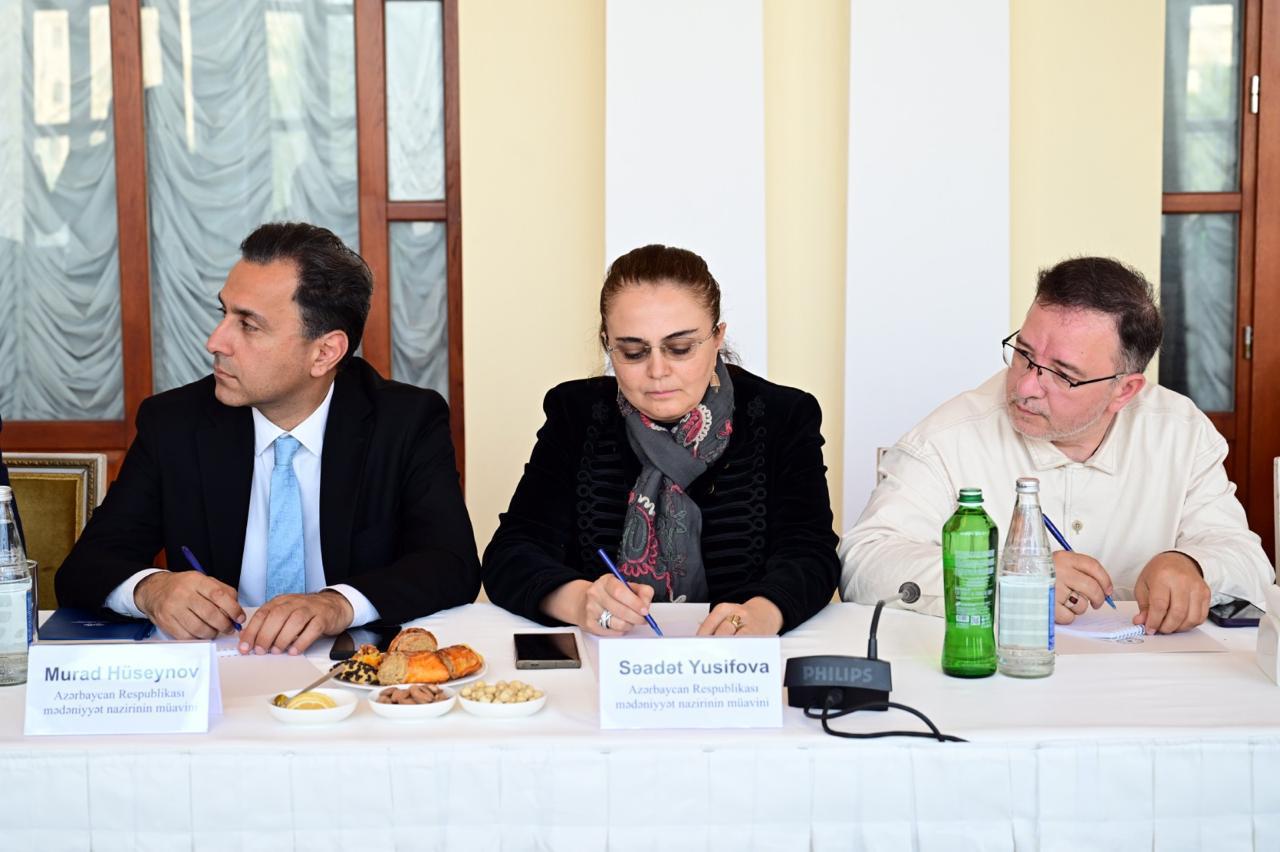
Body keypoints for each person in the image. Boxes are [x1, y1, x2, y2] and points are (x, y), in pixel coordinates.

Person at [57, 222, 480, 653]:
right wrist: (152, 589)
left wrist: (338, 604)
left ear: (325, 352)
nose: (215, 341)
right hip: (222, 667)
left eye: (249, 325)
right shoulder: (175, 423)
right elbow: (86, 567)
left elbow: (451, 564)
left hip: (351, 673)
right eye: (223, 313)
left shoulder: (404, 421)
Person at [841, 256, 1273, 634]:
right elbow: (863, 564)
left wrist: (1193, 566)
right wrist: (1008, 580)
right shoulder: (947, 437)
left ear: (1125, 390)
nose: (1026, 386)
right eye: (1024, 354)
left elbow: (1249, 564)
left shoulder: (1180, 433)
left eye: (1063, 375)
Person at [483, 244, 839, 637]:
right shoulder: (577, 414)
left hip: (736, 660)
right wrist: (580, 601)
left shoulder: (781, 415)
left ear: (717, 338)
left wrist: (763, 613)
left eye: (680, 348)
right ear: (607, 344)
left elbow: (811, 553)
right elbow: (511, 554)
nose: (657, 370)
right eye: (633, 352)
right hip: (610, 656)